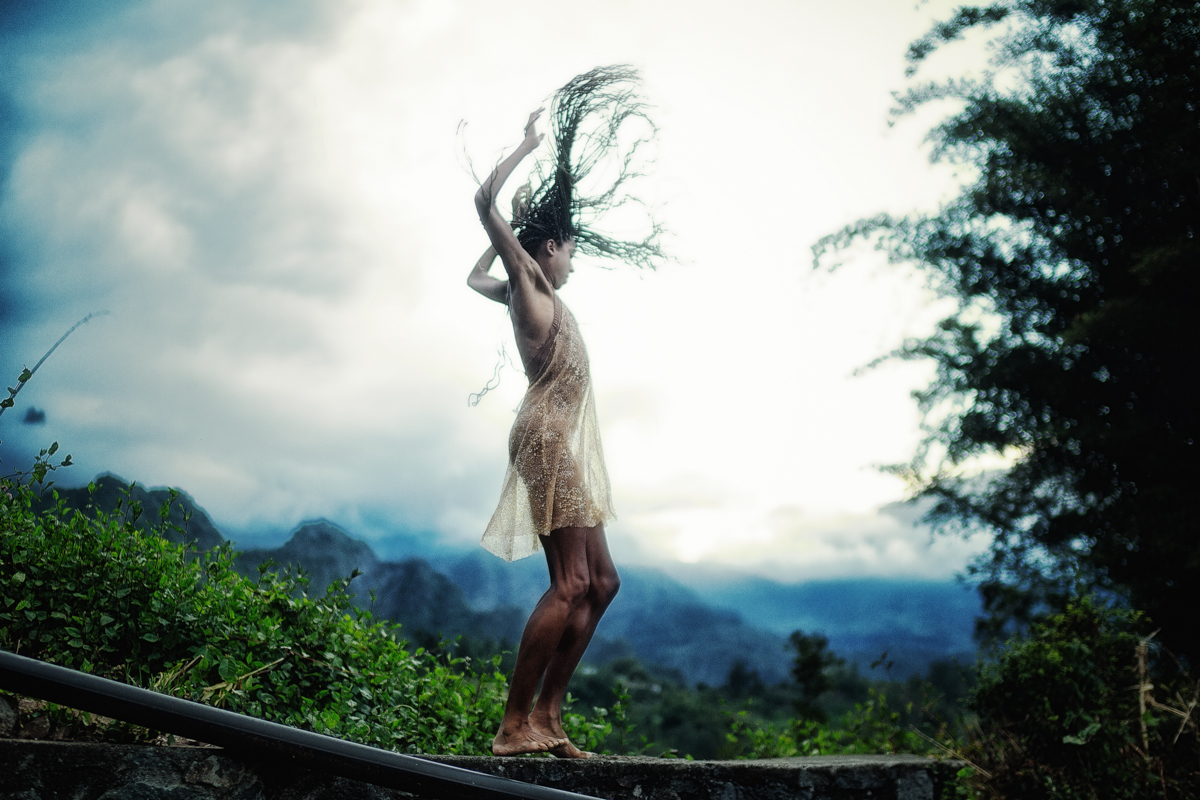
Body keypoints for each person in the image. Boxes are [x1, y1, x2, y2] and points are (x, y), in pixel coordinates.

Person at [466, 67, 663, 758]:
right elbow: (480, 200)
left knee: (603, 582)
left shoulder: (540, 290)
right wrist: (524, 150)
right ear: (550, 248)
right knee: (571, 581)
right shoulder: (531, 284)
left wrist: (515, 235)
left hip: (555, 441)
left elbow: (470, 278)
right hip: (544, 436)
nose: (575, 262)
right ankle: (513, 724)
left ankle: (547, 715)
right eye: (571, 250)